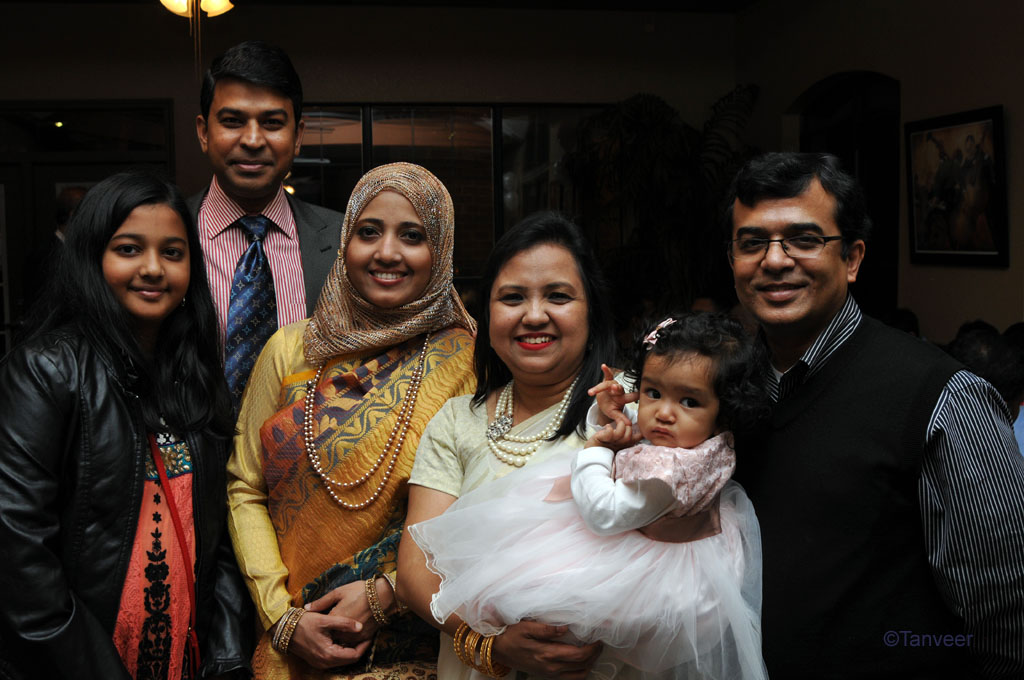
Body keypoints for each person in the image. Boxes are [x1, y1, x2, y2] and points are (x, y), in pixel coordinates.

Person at [725, 152, 1024, 679]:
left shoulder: (944, 398)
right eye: (752, 243)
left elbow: (1006, 616)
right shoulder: (725, 390)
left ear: (853, 258)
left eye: (804, 239)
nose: (773, 260)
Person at [409, 312, 769, 679]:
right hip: (666, 545)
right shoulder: (702, 445)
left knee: (533, 588)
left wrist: (595, 453)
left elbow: (603, 512)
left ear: (725, 412)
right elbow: (639, 434)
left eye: (689, 401)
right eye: (653, 393)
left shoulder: (669, 474)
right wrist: (611, 414)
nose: (663, 413)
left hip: (645, 569)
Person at [226, 162, 477, 679]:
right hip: (293, 637)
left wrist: (387, 592)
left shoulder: (468, 362)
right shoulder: (290, 350)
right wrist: (282, 617)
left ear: (441, 252)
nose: (387, 252)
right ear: (344, 244)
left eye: (412, 236)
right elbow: (245, 487)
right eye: (368, 232)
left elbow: (482, 509)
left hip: (418, 643)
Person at [0, 170, 248, 679]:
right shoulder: (46, 372)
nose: (153, 269)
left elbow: (220, 537)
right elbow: (20, 557)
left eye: (173, 253)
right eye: (129, 249)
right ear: (92, 259)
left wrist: (226, 657)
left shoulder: (196, 377)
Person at [397, 212, 616, 680]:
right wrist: (490, 644)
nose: (534, 315)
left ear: (591, 310)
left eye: (558, 296)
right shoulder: (457, 421)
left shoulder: (628, 410)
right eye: (513, 298)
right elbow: (415, 572)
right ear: (488, 315)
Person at [190, 40, 343, 404]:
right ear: (204, 132)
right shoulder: (168, 237)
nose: (253, 140)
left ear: (298, 136)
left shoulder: (346, 240)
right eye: (232, 121)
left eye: (272, 123)